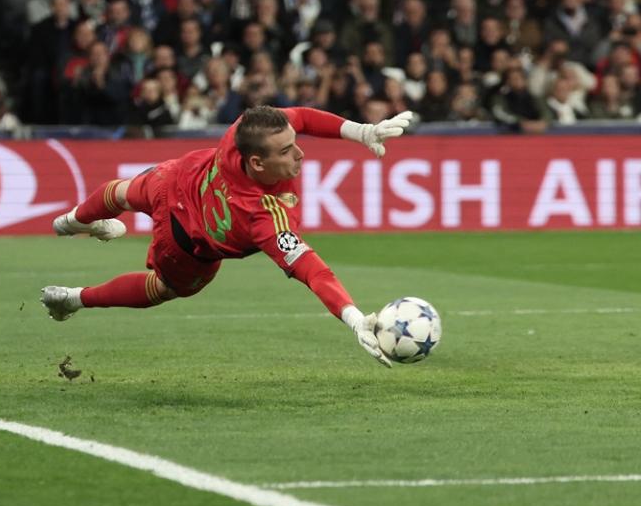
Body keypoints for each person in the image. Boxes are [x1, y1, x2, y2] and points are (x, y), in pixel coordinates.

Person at [40, 106, 413, 368]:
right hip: (183, 241)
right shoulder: (264, 216)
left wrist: (360, 131)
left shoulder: (242, 131)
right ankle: (73, 300)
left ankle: (72, 221)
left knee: (121, 193)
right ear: (257, 163)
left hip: (174, 177)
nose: (298, 153)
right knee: (163, 289)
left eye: (294, 143)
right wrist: (353, 317)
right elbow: (312, 270)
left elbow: (299, 116)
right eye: (286, 151)